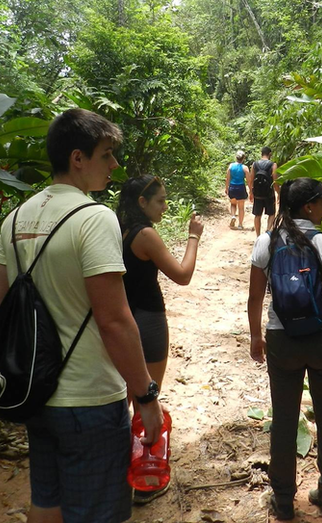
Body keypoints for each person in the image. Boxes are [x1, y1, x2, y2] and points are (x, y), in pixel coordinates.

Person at [0, 108, 163, 523]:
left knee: (47, 501)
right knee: (96, 512)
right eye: (106, 155)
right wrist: (146, 396)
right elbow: (114, 319)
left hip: (34, 391)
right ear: (77, 159)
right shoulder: (93, 217)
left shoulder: (15, 218)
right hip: (88, 398)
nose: (114, 165)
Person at [246, 178, 322, 521]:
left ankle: (282, 500)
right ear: (308, 206)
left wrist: (255, 338)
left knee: (283, 419)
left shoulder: (267, 241)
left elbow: (254, 298)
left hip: (282, 340)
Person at [115, 175, 204, 503]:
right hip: (148, 322)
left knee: (121, 400)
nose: (165, 206)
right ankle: (144, 477)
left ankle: (114, 474)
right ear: (142, 202)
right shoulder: (146, 235)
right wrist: (193, 237)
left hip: (121, 321)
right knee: (146, 402)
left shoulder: (117, 230)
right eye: (160, 201)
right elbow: (182, 275)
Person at [250, 147, 279, 236]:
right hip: (269, 194)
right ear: (270, 154)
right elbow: (275, 181)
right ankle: (267, 233)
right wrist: (279, 193)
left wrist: (251, 193)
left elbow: (251, 180)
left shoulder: (255, 164)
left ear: (261, 153)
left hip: (258, 194)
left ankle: (258, 236)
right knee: (271, 214)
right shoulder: (273, 165)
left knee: (257, 215)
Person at [225, 150, 251, 229]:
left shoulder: (231, 166)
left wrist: (227, 188)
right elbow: (248, 180)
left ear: (236, 157)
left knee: (233, 204)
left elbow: (227, 179)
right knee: (241, 207)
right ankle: (240, 225)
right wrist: (250, 190)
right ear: (243, 158)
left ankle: (233, 216)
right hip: (241, 188)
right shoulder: (245, 168)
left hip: (232, 187)